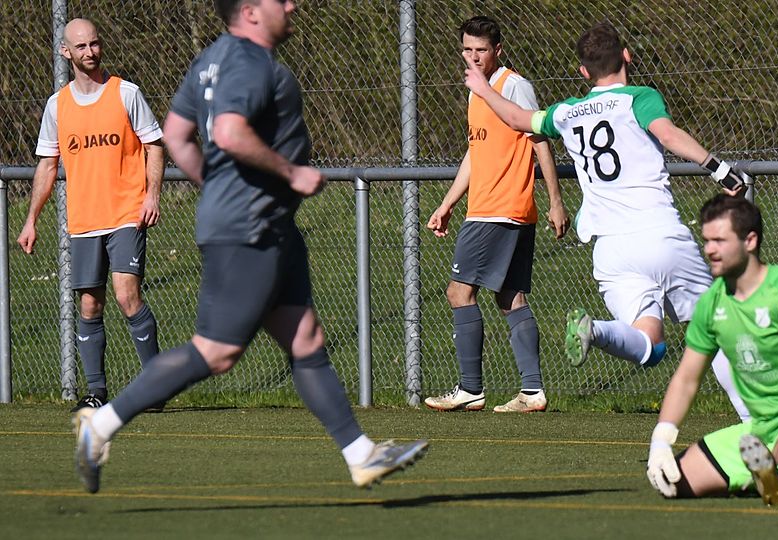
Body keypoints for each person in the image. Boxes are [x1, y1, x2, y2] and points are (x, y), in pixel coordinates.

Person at [71, 0, 428, 494]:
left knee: (306, 341)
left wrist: (216, 186)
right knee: (216, 352)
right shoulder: (249, 61)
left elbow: (176, 133)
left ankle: (361, 454)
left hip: (269, 225)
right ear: (252, 11)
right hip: (248, 227)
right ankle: (101, 423)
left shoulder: (212, 58)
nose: (292, 5)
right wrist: (290, 172)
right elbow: (228, 130)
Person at [461, 22, 749, 420]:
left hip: (611, 251)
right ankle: (757, 426)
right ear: (627, 56)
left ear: (583, 72)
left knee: (650, 346)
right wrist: (719, 169)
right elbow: (667, 135)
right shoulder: (640, 98)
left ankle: (595, 329)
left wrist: (483, 88)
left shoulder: (567, 112)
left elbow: (517, 118)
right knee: (716, 331)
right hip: (660, 235)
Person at [645, 194, 778, 507]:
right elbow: (687, 378)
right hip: (760, 427)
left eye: (719, 240)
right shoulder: (712, 303)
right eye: (706, 240)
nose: (709, 250)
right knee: (675, 481)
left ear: (750, 241)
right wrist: (661, 439)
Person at [424, 16, 570, 413]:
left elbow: (540, 141)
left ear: (498, 50)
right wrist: (448, 203)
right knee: (509, 297)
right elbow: (477, 152)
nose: (473, 57)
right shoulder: (478, 90)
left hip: (499, 208)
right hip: (496, 209)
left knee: (459, 292)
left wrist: (556, 200)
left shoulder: (512, 85)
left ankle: (470, 388)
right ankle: (532, 392)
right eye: (467, 50)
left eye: (482, 50)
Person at [17, 18, 164, 412]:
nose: (90, 52)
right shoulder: (57, 105)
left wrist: (152, 196)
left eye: (94, 44)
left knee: (126, 295)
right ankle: (96, 390)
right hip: (84, 219)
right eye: (81, 46)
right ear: (66, 52)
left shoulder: (126, 93)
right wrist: (31, 219)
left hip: (127, 212)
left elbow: (154, 145)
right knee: (89, 306)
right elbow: (48, 165)